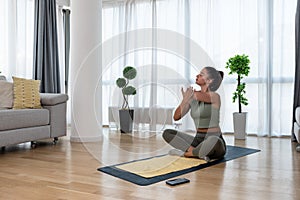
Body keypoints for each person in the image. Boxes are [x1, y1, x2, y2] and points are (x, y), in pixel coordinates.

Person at [162, 66, 226, 161]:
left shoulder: (215, 96)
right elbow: (176, 117)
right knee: (167, 133)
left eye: (201, 74)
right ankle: (196, 152)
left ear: (209, 80)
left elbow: (196, 95)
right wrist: (184, 100)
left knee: (214, 141)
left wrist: (188, 96)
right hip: (198, 139)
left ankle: (187, 154)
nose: (197, 76)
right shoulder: (192, 97)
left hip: (214, 138)